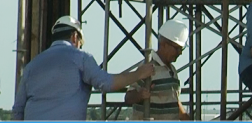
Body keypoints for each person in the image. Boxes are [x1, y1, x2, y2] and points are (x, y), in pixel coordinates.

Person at [11, 15, 155, 120]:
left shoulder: (32, 65)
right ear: (75, 37)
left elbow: (18, 110)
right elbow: (106, 83)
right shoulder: (81, 57)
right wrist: (138, 74)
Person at [125, 19, 191, 120]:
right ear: (164, 44)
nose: (180, 53)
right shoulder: (147, 68)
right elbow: (128, 98)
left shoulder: (172, 70)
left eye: (181, 49)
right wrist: (140, 95)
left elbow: (174, 101)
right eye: (177, 48)